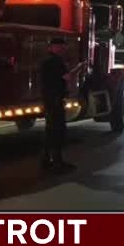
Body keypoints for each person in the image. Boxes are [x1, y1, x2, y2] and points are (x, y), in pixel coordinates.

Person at [40, 37, 83, 172]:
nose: (63, 49)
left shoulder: (46, 61)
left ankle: (46, 160)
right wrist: (79, 68)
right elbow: (67, 77)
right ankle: (57, 162)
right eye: (61, 47)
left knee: (50, 130)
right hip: (55, 100)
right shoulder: (56, 61)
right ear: (53, 47)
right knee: (57, 130)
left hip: (48, 99)